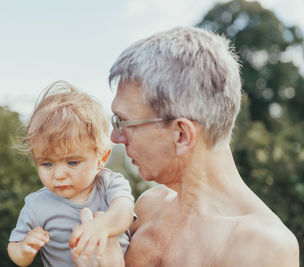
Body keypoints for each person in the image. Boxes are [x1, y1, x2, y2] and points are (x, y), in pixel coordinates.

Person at [73, 26, 300, 266]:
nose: (116, 137)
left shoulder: (263, 248)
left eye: (124, 122)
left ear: (181, 135)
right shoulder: (148, 206)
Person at [7, 81, 134, 267]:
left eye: (72, 162)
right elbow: (14, 248)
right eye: (47, 163)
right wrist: (25, 249)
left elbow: (124, 211)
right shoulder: (36, 205)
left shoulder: (109, 183)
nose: (58, 175)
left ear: (101, 158)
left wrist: (102, 226)